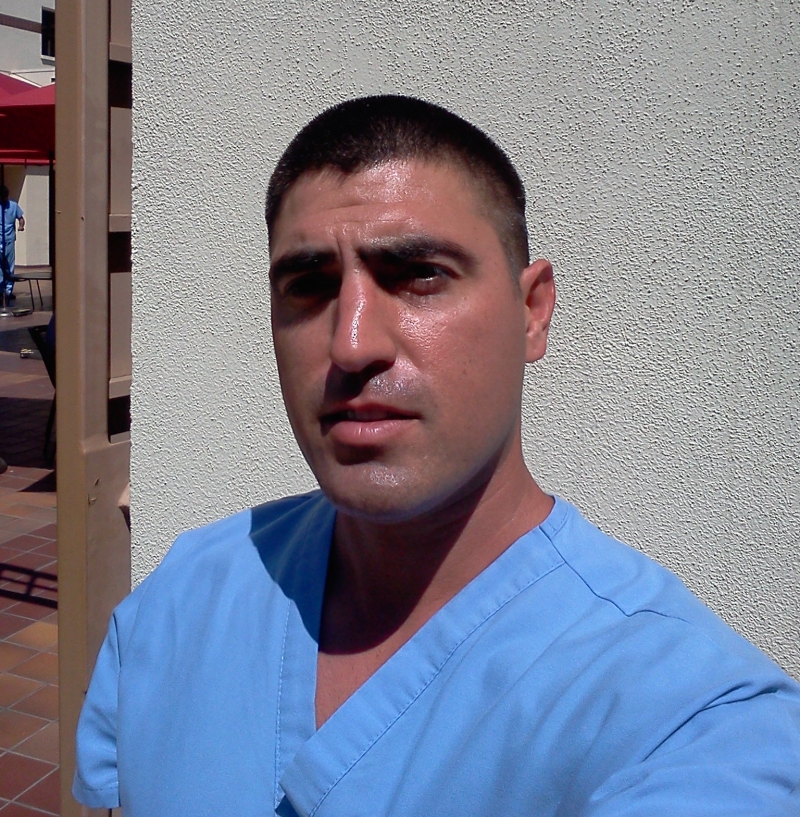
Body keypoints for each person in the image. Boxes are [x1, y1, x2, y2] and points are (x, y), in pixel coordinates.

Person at [74, 96, 800, 816]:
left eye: (419, 273)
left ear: (532, 312)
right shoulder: (180, 598)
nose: (352, 344)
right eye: (310, 284)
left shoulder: (692, 723)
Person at [0, 184, 24, 303]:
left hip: (9, 239)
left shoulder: (13, 206)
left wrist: (21, 226)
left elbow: (21, 218)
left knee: (9, 265)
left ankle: (8, 291)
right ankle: (1, 290)